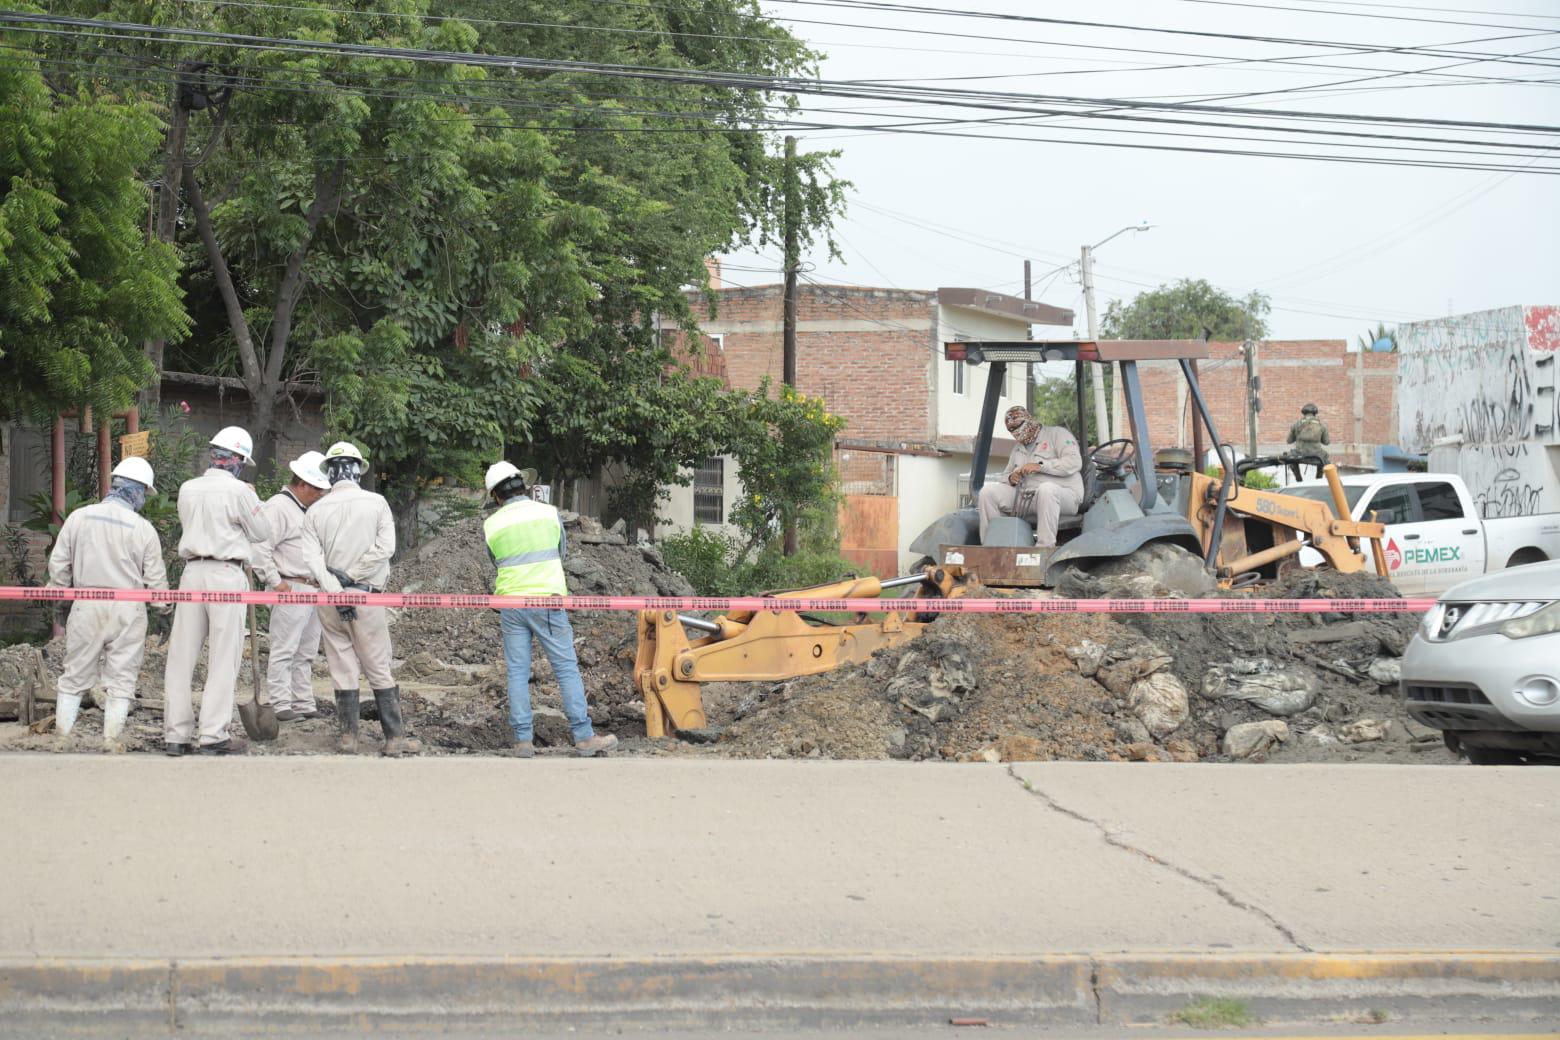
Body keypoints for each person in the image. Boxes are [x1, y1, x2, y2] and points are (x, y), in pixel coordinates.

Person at [483, 461, 617, 759]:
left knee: (517, 672)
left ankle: (522, 741)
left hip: (511, 604)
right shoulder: (548, 513)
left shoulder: (491, 524)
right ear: (524, 485)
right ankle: (583, 737)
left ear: (495, 496)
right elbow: (561, 552)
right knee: (565, 668)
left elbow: (495, 561)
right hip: (547, 600)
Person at [302, 441, 419, 756]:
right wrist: (351, 576)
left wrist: (334, 584)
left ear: (330, 473)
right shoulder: (376, 502)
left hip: (329, 598)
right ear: (356, 469)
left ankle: (348, 738)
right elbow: (385, 549)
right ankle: (394, 738)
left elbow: (311, 559)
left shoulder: (315, 510)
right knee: (378, 665)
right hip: (365, 596)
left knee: (341, 665)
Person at [163, 426, 272, 756]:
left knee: (181, 656)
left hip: (192, 572)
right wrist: (252, 497)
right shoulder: (240, 492)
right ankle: (213, 735)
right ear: (238, 460)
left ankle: (176, 735)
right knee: (223, 657)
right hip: (226, 573)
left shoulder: (188, 488)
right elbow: (261, 531)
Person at [47, 457, 168, 745]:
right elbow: (155, 578)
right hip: (128, 609)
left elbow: (59, 564)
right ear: (138, 491)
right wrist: (163, 611)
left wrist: (60, 601)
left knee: (74, 673)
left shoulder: (79, 518)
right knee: (122, 677)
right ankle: (111, 741)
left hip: (86, 603)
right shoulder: (142, 529)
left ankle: (62, 738)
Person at [250, 451, 331, 721]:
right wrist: (275, 582)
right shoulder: (279, 507)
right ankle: (281, 703)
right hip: (292, 585)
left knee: (306, 651)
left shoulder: (305, 509)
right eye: (318, 489)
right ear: (303, 484)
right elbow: (260, 546)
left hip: (311, 588)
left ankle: (303, 703)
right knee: (285, 648)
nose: (321, 494)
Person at [977, 406, 1084, 548]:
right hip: (1028, 498)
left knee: (1047, 489)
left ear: (1029, 420)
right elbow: (1004, 476)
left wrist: (1041, 466)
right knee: (987, 493)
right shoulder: (1018, 448)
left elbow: (1074, 462)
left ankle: (1044, 548)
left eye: (1019, 426)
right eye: (1011, 430)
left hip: (1065, 496)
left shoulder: (1057, 435)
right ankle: (994, 546)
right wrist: (1011, 478)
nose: (1016, 432)